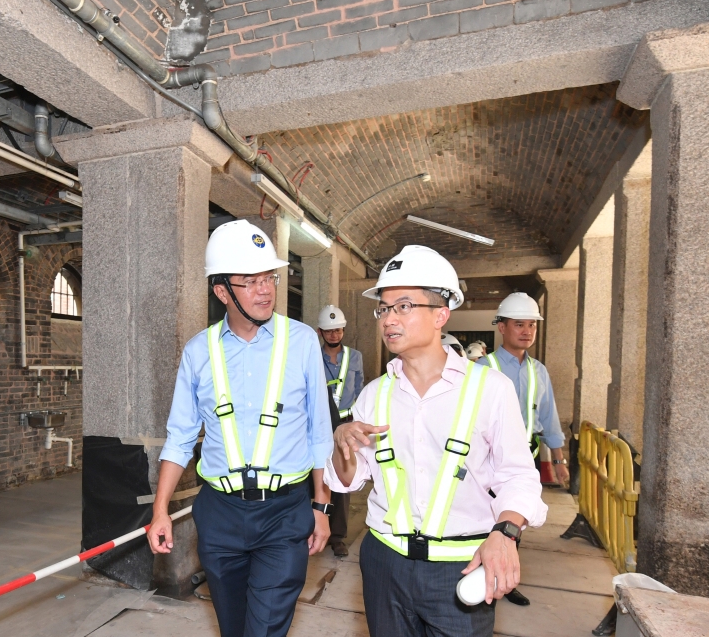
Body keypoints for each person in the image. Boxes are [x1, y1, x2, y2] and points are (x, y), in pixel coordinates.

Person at [326, 245, 547, 637]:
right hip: (385, 563)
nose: (389, 318)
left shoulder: (489, 389)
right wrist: (342, 442)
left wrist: (506, 533)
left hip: (461, 567)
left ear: (441, 314)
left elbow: (520, 477)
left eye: (404, 306)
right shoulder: (374, 395)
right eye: (384, 307)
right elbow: (348, 479)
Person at [149, 219, 333, 637]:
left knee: (264, 629)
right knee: (233, 626)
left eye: (269, 277)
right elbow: (179, 438)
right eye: (250, 281)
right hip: (220, 513)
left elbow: (319, 433)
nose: (266, 289)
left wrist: (321, 508)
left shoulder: (302, 342)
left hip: (285, 513)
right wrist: (160, 511)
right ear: (222, 291)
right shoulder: (199, 352)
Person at [482, 292, 570, 606]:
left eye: (531, 325)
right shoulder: (482, 367)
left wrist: (559, 459)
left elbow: (549, 417)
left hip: (525, 459)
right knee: (482, 520)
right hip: (487, 459)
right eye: (519, 324)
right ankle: (479, 577)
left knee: (513, 520)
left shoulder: (539, 372)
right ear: (501, 327)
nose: (527, 331)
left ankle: (504, 581)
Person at [318, 304, 364, 557]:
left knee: (342, 479)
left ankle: (337, 536)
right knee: (314, 474)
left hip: (344, 424)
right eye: (329, 331)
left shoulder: (354, 357)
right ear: (320, 332)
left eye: (338, 330)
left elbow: (359, 389)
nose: (334, 335)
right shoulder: (313, 355)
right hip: (320, 422)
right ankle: (314, 527)